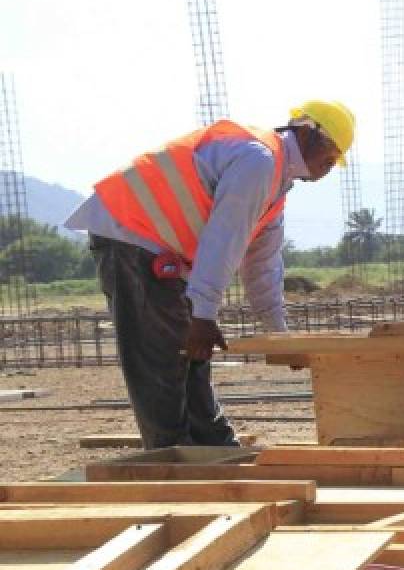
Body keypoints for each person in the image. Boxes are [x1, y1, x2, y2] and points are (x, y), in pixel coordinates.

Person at [65, 100, 355, 449]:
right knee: (161, 358)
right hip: (130, 231)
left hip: (156, 243)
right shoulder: (258, 162)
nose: (328, 168)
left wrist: (281, 338)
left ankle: (214, 447)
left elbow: (262, 266)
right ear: (309, 133)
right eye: (331, 156)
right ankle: (172, 459)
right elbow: (224, 238)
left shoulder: (275, 184)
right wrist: (203, 314)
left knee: (191, 355)